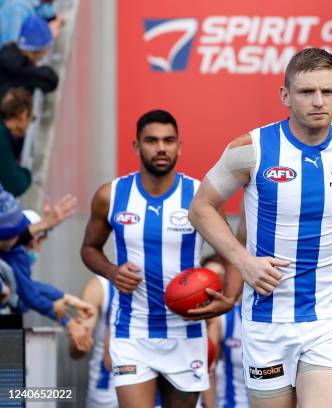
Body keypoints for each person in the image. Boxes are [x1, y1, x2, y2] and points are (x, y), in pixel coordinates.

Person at [187, 47, 332, 408]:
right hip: (267, 317)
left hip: (330, 316)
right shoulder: (251, 149)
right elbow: (201, 208)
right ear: (285, 95)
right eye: (306, 91)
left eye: (327, 92)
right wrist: (243, 261)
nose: (318, 101)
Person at [80, 110, 210, 408]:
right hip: (132, 330)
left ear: (180, 145)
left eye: (169, 140)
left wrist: (226, 298)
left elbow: (231, 251)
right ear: (136, 146)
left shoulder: (199, 195)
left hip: (185, 331)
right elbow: (89, 248)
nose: (161, 148)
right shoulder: (110, 195)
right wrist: (112, 272)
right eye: (151, 140)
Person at [0, 189, 92, 343]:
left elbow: (25, 288)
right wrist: (68, 321)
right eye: (35, 241)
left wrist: (65, 298)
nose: (37, 249)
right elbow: (27, 297)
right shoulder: (16, 254)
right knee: (8, 366)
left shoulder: (9, 253)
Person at [68, 275, 118, 408]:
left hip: (157, 388)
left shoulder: (167, 283)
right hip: (107, 390)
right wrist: (80, 339)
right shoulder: (100, 286)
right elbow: (76, 351)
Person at [0, 14, 58, 97]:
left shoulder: (8, 52)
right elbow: (50, 80)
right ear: (38, 50)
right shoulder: (19, 67)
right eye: (45, 49)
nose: (46, 52)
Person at [0, 87, 33, 196]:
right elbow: (16, 184)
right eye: (31, 118)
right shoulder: (2, 138)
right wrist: (26, 174)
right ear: (23, 114)